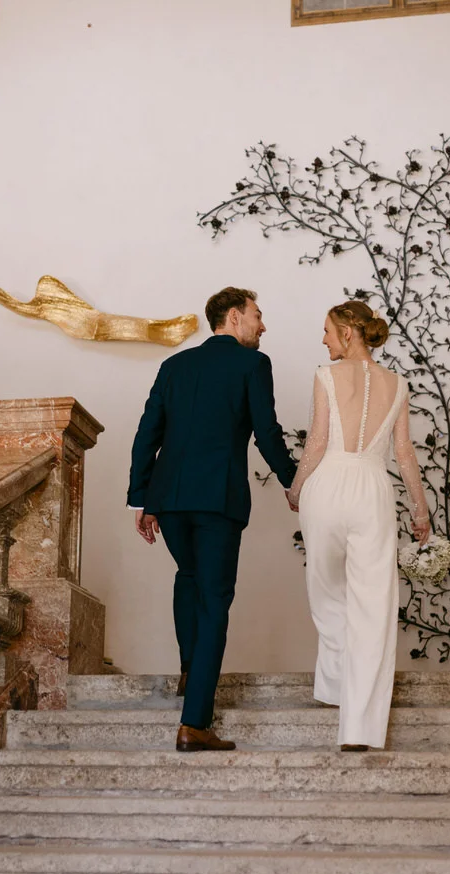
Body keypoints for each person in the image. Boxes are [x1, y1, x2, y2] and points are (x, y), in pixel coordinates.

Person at [128, 287, 298, 752]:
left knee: (189, 577)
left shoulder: (174, 366)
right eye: (258, 316)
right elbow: (266, 432)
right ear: (234, 317)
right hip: (217, 499)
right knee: (214, 601)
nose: (263, 326)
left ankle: (190, 671)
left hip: (169, 497)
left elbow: (148, 432)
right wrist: (293, 480)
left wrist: (139, 499)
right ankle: (195, 723)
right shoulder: (252, 365)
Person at [286, 300, 431, 751]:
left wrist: (295, 488)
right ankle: (359, 729)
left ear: (348, 333)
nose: (324, 339)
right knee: (373, 607)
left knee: (327, 592)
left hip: (327, 486)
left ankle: (335, 684)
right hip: (373, 489)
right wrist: (420, 509)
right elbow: (404, 453)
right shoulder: (399, 383)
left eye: (327, 330)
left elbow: (317, 443)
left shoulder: (326, 376)